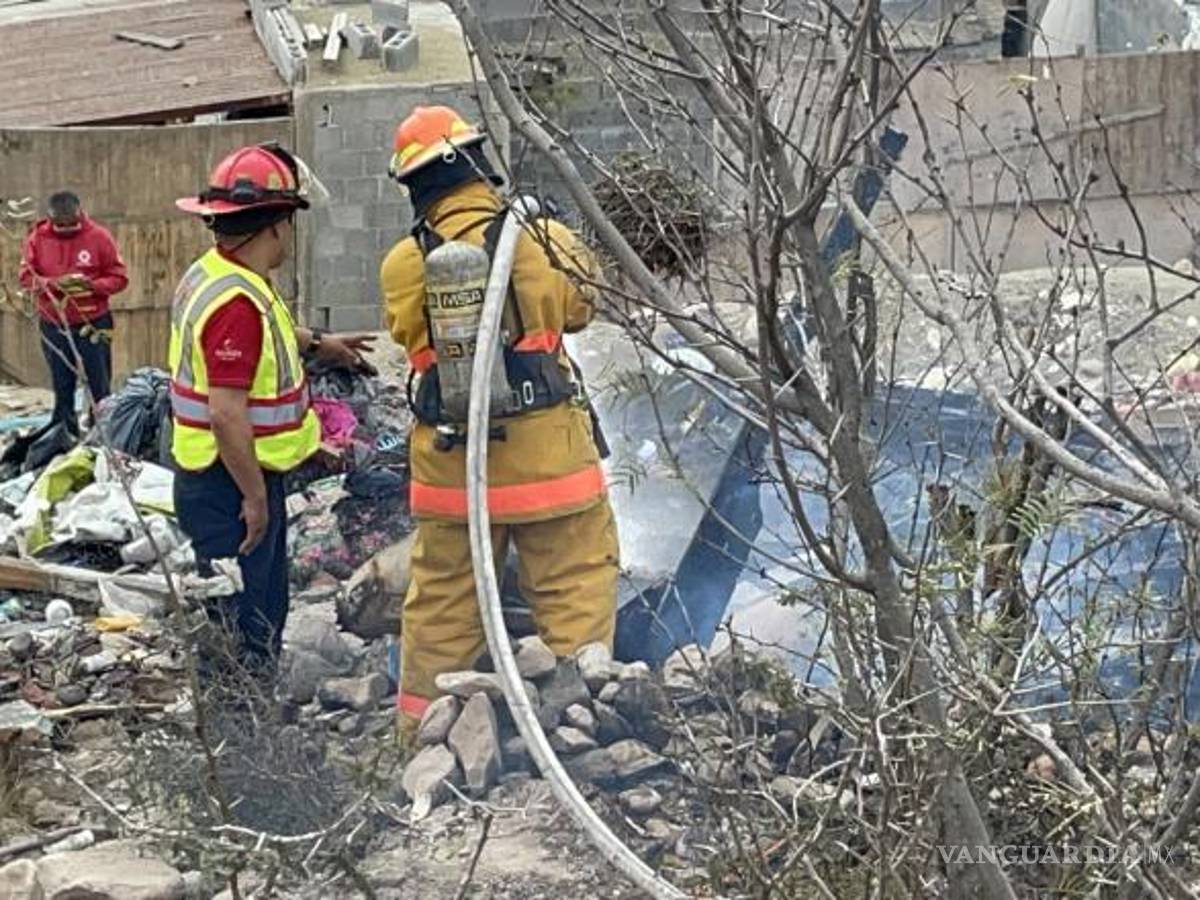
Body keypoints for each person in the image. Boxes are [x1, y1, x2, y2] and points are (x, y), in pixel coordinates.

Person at [380, 105, 619, 732]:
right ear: (478, 164)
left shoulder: (405, 263)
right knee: (574, 594)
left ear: (414, 186)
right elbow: (584, 308)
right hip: (551, 464)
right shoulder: (543, 240)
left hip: (454, 469)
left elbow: (407, 335)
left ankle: (421, 742)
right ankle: (577, 735)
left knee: (440, 608)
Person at [170, 142, 374, 675]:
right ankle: (242, 743)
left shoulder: (218, 274)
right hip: (230, 485)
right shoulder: (236, 302)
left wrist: (318, 342)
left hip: (221, 477)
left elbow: (266, 335)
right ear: (278, 225)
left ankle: (238, 730)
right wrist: (256, 499)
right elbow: (226, 413)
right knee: (248, 624)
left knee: (242, 611)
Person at [18, 191, 128, 436]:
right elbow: (27, 279)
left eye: (72, 223)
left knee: (99, 383)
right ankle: (63, 432)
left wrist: (93, 286)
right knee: (62, 384)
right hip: (54, 322)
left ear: (80, 213)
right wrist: (55, 284)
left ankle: (103, 433)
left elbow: (120, 277)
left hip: (94, 321)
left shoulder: (99, 237)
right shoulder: (37, 239)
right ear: (50, 218)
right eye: (61, 225)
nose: (67, 229)